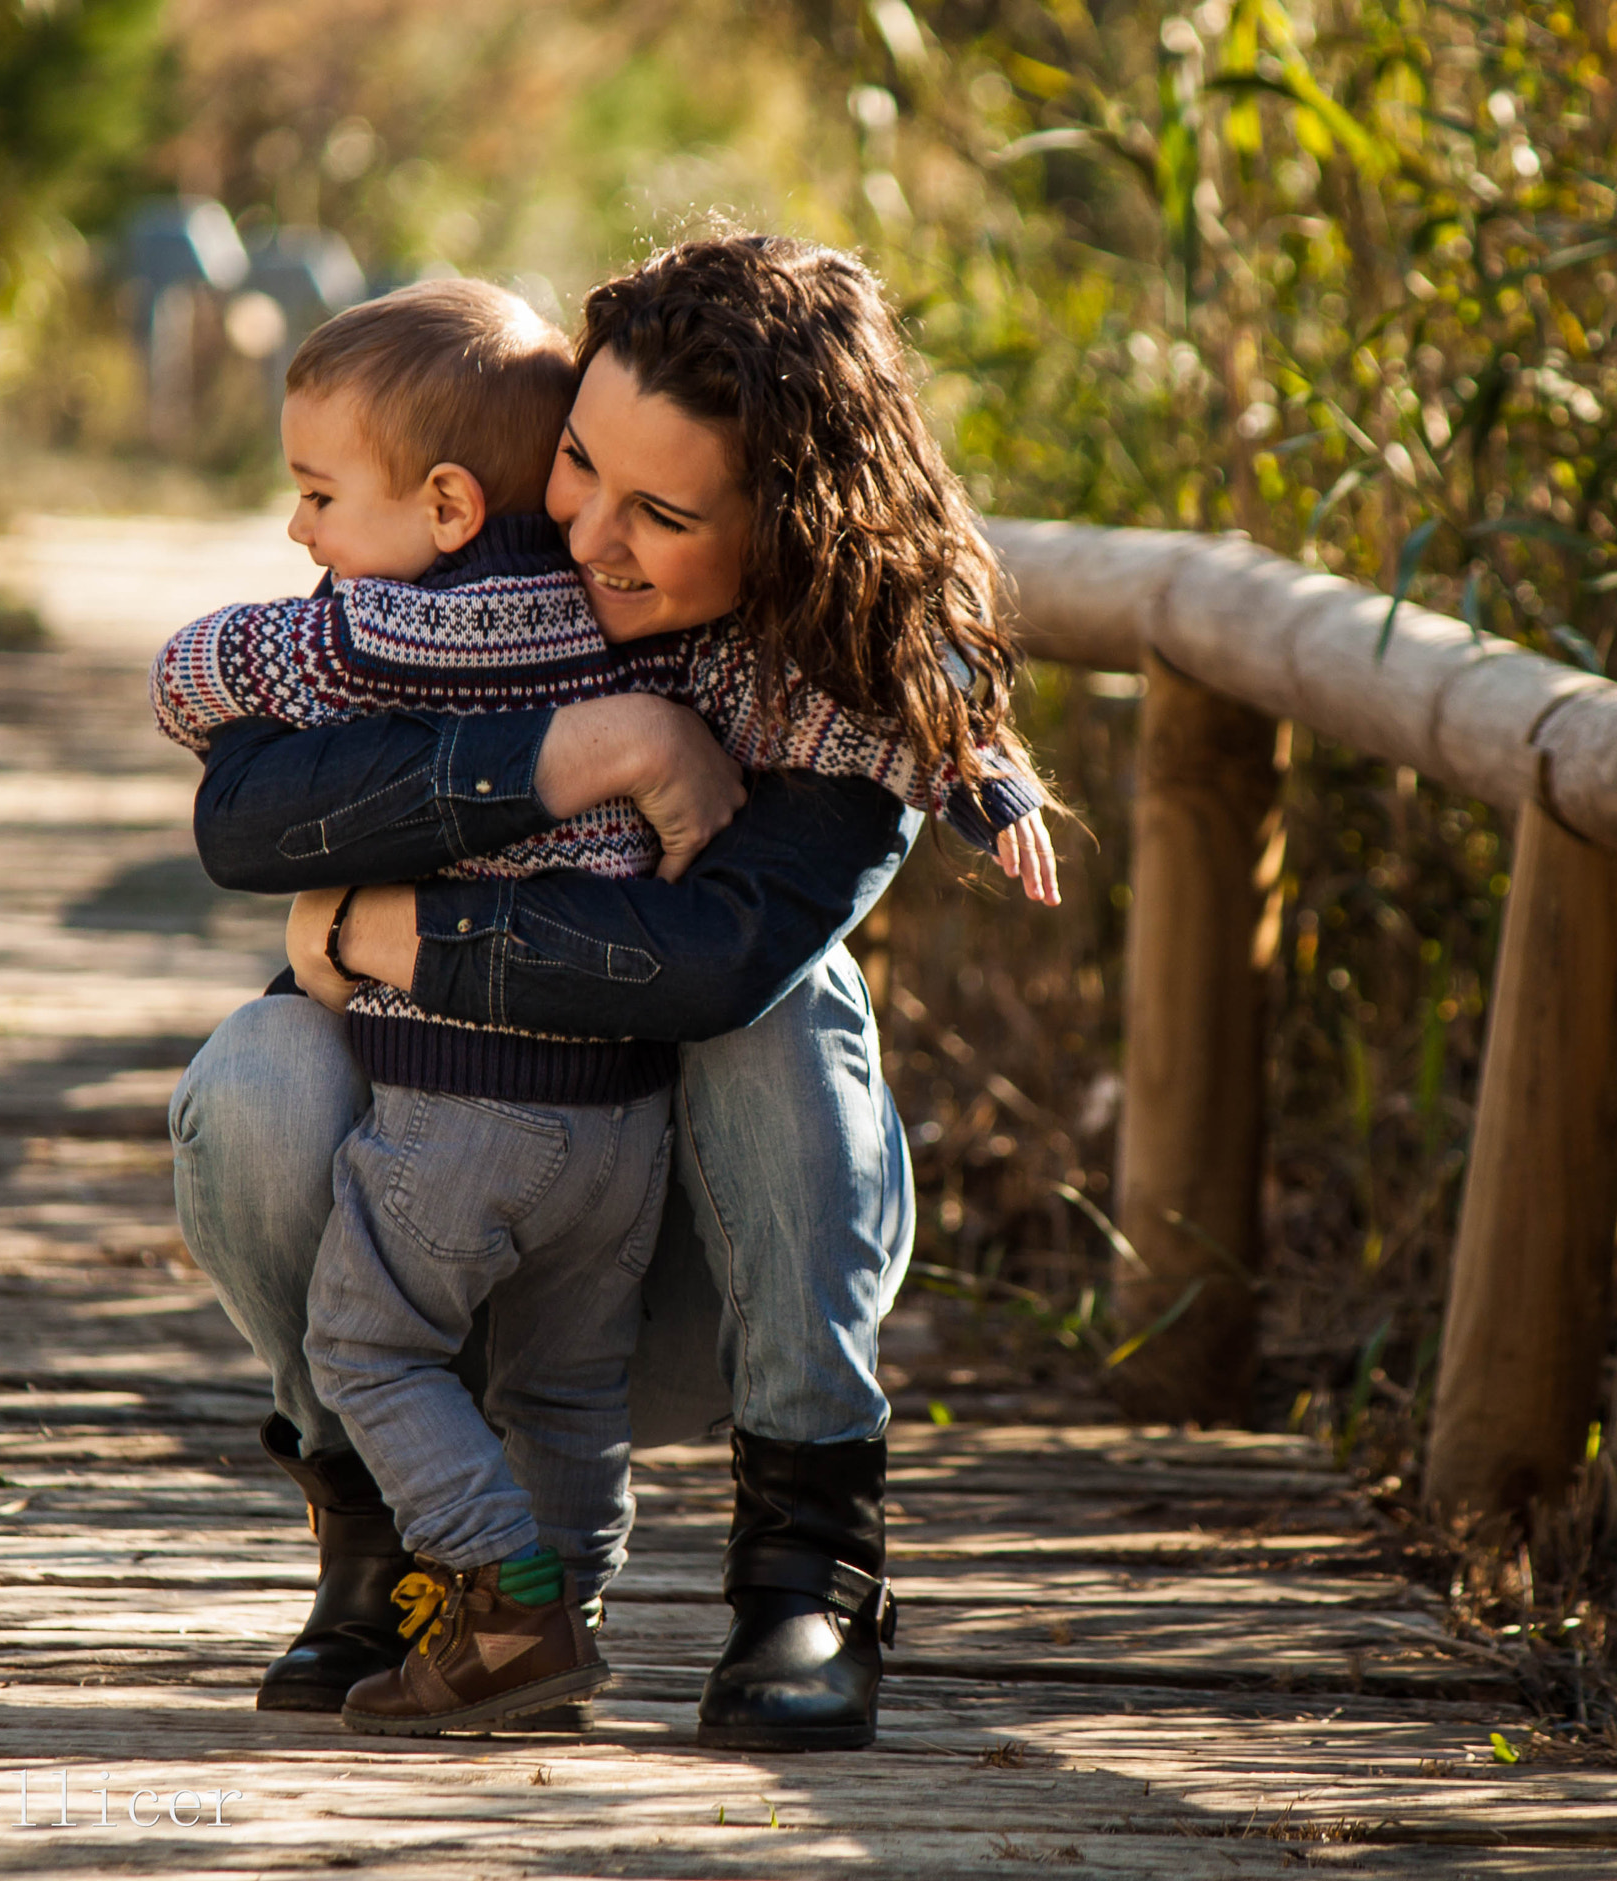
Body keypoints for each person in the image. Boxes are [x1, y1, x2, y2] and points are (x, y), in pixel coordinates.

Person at [165, 232, 1060, 1751]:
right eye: (582, 464)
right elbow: (244, 815)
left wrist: (401, 937)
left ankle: (809, 1564)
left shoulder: (834, 681)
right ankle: (397, 1552)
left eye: (667, 513)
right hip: (425, 1213)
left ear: (785, 532)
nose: (590, 536)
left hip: (681, 1265)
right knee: (256, 1073)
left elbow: (705, 959)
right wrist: (574, 751)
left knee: (781, 1007)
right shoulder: (469, 553)